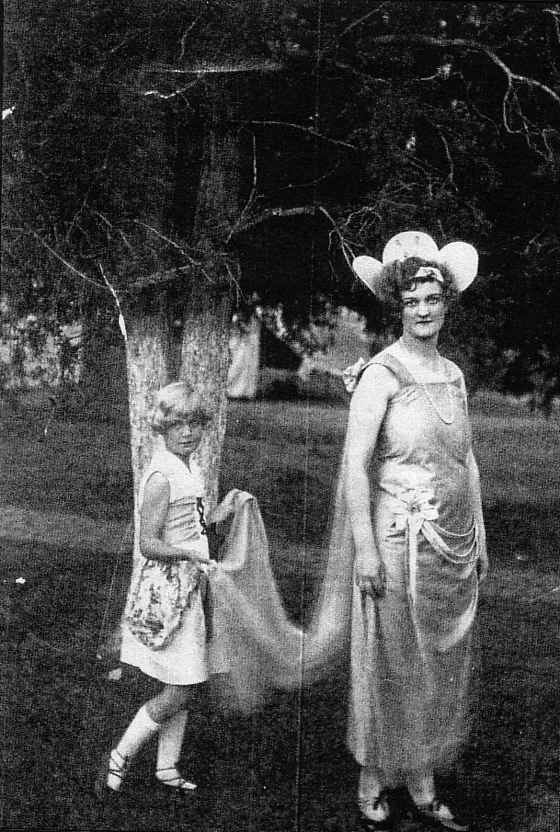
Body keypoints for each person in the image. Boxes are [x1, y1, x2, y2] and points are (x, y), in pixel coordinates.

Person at [342, 232, 489, 831]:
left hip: (450, 542)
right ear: (397, 308)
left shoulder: (452, 374)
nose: (423, 310)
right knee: (396, 659)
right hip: (397, 539)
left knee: (436, 662)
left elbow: (465, 457)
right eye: (412, 301)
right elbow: (355, 465)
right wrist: (366, 550)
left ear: (447, 303)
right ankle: (374, 778)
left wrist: (480, 533)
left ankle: (422, 780)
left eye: (432, 299)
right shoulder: (382, 374)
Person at [95, 381, 216, 798]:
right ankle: (120, 755)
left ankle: (167, 767)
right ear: (163, 427)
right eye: (178, 424)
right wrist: (190, 554)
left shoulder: (188, 467)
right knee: (184, 685)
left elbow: (192, 520)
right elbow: (148, 542)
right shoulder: (162, 475)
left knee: (184, 679)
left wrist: (223, 512)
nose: (188, 432)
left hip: (189, 587)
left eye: (195, 424)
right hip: (168, 591)